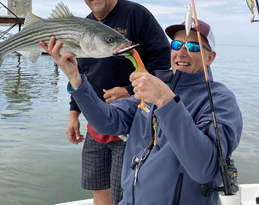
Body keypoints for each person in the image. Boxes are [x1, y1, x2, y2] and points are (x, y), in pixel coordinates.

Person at [40, 19, 243, 205]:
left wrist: (166, 100)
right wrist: (75, 78)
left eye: (193, 46)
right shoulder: (154, 87)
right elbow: (107, 122)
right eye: (176, 44)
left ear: (210, 58)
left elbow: (204, 169)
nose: (182, 52)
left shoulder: (220, 100)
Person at [48, 0, 170, 205]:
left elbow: (163, 66)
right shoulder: (82, 26)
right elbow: (81, 74)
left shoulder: (137, 15)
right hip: (96, 126)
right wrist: (73, 114)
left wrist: (128, 91)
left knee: (123, 194)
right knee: (99, 191)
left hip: (133, 126)